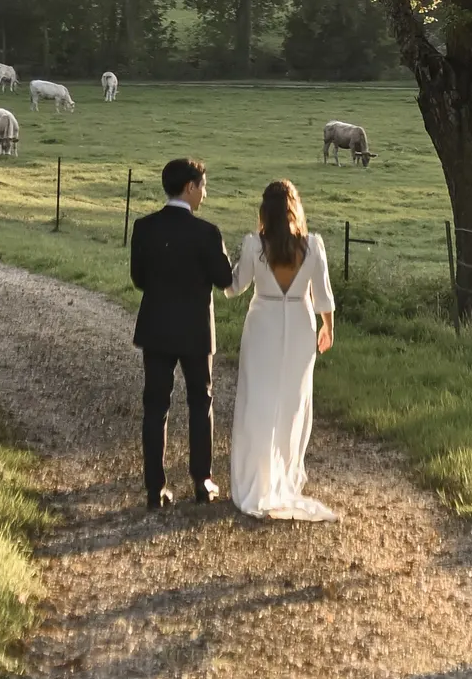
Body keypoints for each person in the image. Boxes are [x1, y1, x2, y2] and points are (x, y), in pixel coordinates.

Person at [225, 179, 338, 521]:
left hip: (263, 324)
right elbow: (323, 296)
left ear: (265, 211)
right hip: (301, 326)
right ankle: (284, 477)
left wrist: (222, 260)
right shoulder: (312, 246)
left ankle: (258, 478)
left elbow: (234, 287)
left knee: (259, 400)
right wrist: (328, 327)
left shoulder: (254, 245)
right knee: (292, 403)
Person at [129, 158, 233, 509]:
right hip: (195, 331)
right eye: (203, 186)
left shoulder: (144, 227)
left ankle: (155, 488)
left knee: (155, 405)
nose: (205, 193)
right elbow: (224, 279)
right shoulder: (207, 232)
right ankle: (202, 481)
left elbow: (138, 279)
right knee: (200, 403)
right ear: (190, 187)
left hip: (156, 327)